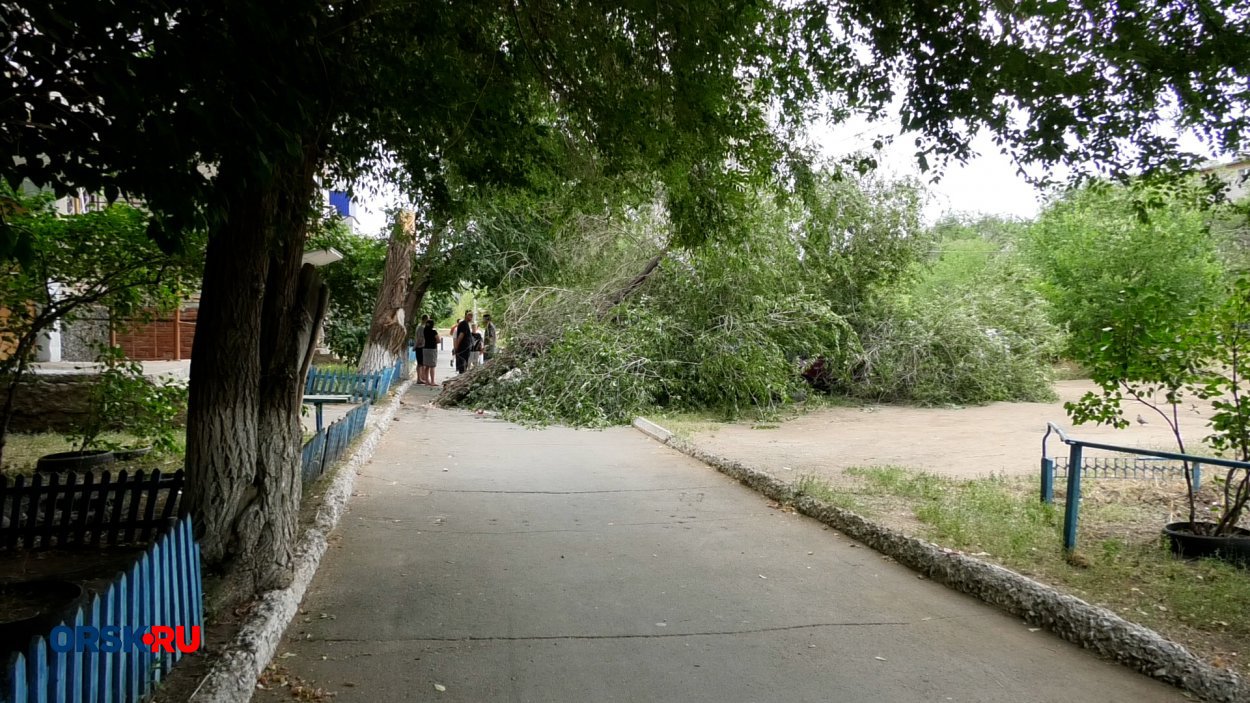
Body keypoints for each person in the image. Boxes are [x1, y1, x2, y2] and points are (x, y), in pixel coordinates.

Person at [420, 315, 440, 385]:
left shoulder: (425, 331)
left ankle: (427, 381)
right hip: (432, 349)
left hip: (425, 349)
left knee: (427, 366)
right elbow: (438, 340)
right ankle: (432, 381)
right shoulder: (434, 331)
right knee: (432, 366)